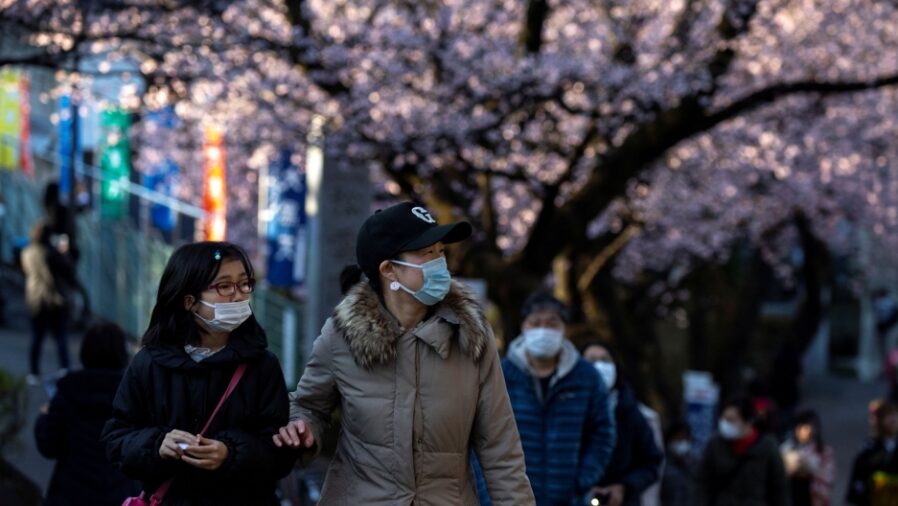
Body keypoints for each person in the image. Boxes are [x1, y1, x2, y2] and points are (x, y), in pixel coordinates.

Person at [275, 201, 535, 504]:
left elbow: (500, 445)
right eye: (427, 254)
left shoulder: (471, 335)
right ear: (389, 270)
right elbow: (309, 406)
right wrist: (304, 430)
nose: (440, 263)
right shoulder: (342, 335)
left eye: (441, 251)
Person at [101, 241, 297, 505]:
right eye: (224, 286)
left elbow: (280, 453)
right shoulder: (150, 363)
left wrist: (231, 454)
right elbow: (116, 439)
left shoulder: (262, 366)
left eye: (244, 284)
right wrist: (158, 445)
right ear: (190, 302)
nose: (239, 295)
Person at [476, 292, 615, 505]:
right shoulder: (499, 374)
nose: (543, 330)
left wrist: (583, 479)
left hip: (567, 497)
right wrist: (486, 493)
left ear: (564, 329)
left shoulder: (586, 378)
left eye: (552, 323)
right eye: (535, 323)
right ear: (524, 326)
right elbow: (477, 436)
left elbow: (603, 432)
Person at [34, 322, 140, 505]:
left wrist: (44, 417)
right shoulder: (136, 394)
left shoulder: (68, 391)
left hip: (71, 493)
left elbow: (48, 444)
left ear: (85, 352)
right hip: (122, 495)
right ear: (122, 354)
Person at [582, 343, 664, 506]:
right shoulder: (566, 411)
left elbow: (652, 463)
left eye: (605, 360)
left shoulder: (633, 414)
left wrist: (624, 487)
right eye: (591, 361)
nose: (599, 366)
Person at [698, 396, 789, 506]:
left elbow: (779, 488)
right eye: (723, 419)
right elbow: (702, 482)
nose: (725, 424)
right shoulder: (715, 445)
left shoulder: (767, 447)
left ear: (748, 422)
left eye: (731, 420)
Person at [21, 221, 75, 384]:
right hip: (53, 298)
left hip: (34, 297)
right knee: (60, 335)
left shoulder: (27, 251)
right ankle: (65, 368)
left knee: (37, 336)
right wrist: (64, 254)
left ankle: (33, 372)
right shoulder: (51, 253)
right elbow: (66, 270)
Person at [847, 400, 898, 505]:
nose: (893, 419)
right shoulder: (869, 448)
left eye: (895, 415)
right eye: (888, 416)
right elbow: (858, 480)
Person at [780, 409, 834, 506]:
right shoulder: (786, 449)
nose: (805, 431)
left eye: (808, 427)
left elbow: (827, 481)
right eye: (801, 427)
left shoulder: (823, 452)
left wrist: (807, 465)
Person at [660, 421, 699, 506]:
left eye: (685, 438)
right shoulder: (661, 464)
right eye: (678, 439)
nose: (682, 442)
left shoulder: (695, 464)